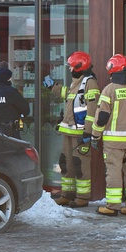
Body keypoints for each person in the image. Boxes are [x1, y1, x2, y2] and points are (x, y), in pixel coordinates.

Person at [91, 54, 126, 217]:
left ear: (112, 71)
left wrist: (95, 136)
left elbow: (101, 117)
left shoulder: (109, 90)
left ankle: (113, 206)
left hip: (113, 142)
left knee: (114, 171)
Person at [43, 51, 100, 208]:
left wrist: (88, 132)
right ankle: (66, 195)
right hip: (68, 131)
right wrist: (52, 86)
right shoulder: (78, 82)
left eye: (71, 66)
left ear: (79, 66)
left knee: (80, 164)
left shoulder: (90, 83)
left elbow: (92, 110)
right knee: (66, 163)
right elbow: (67, 94)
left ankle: (82, 197)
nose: (69, 69)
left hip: (81, 134)